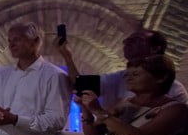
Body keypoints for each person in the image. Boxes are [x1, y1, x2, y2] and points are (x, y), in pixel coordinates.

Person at [59, 27, 187, 111]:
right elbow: (80, 84)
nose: (127, 43)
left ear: (155, 48)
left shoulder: (174, 89)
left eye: (136, 40)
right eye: (127, 40)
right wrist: (67, 56)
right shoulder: (117, 78)